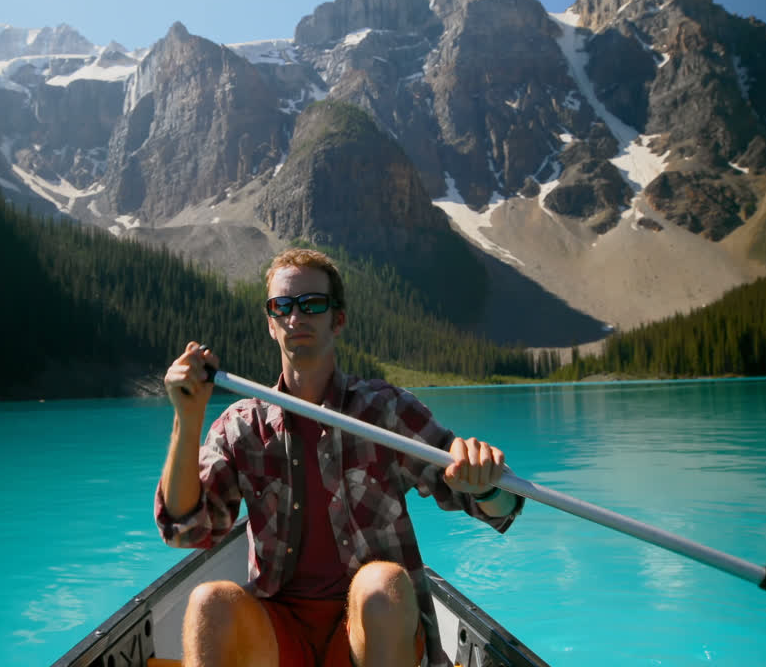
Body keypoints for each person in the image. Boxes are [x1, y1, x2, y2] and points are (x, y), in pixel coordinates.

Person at [157, 247, 523, 667]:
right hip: (281, 632)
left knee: (382, 582)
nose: (296, 317)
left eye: (312, 304)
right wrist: (186, 419)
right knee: (208, 603)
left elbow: (500, 506)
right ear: (271, 324)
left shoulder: (384, 411)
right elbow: (185, 531)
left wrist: (484, 481)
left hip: (372, 635)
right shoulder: (242, 425)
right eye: (282, 306)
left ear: (339, 319)